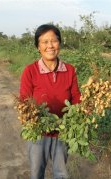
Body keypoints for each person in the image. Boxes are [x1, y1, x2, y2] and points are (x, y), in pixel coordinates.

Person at [19, 24, 81, 179]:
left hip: (63, 131)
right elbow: (24, 101)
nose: (50, 46)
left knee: (61, 173)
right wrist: (31, 118)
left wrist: (81, 112)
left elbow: (76, 98)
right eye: (44, 42)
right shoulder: (30, 71)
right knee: (36, 172)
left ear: (59, 43)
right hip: (39, 132)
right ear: (38, 47)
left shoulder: (69, 70)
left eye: (54, 41)